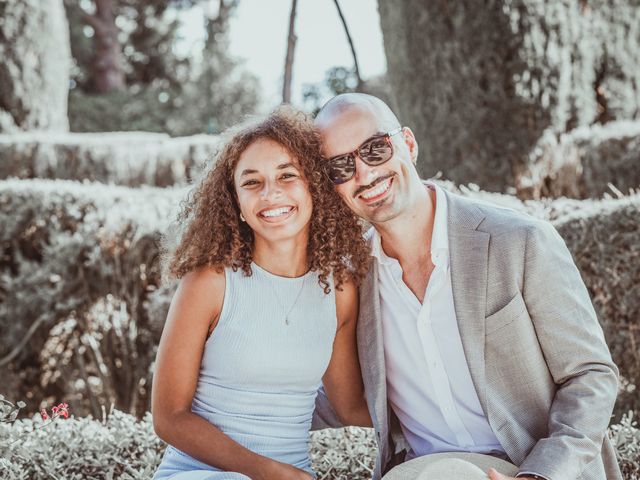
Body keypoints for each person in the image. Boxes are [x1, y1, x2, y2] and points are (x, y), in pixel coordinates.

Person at [313, 93, 621, 480]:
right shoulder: (350, 281)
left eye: (376, 148)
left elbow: (591, 375)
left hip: (530, 467)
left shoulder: (519, 241)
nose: (364, 173)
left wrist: (539, 475)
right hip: (423, 473)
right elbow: (331, 395)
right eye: (341, 166)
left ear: (408, 143)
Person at [151, 106, 372, 480]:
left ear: (314, 187)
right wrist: (271, 473)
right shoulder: (210, 283)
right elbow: (169, 418)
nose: (271, 193)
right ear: (235, 202)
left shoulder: (339, 289)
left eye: (288, 176)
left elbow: (350, 407)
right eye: (252, 182)